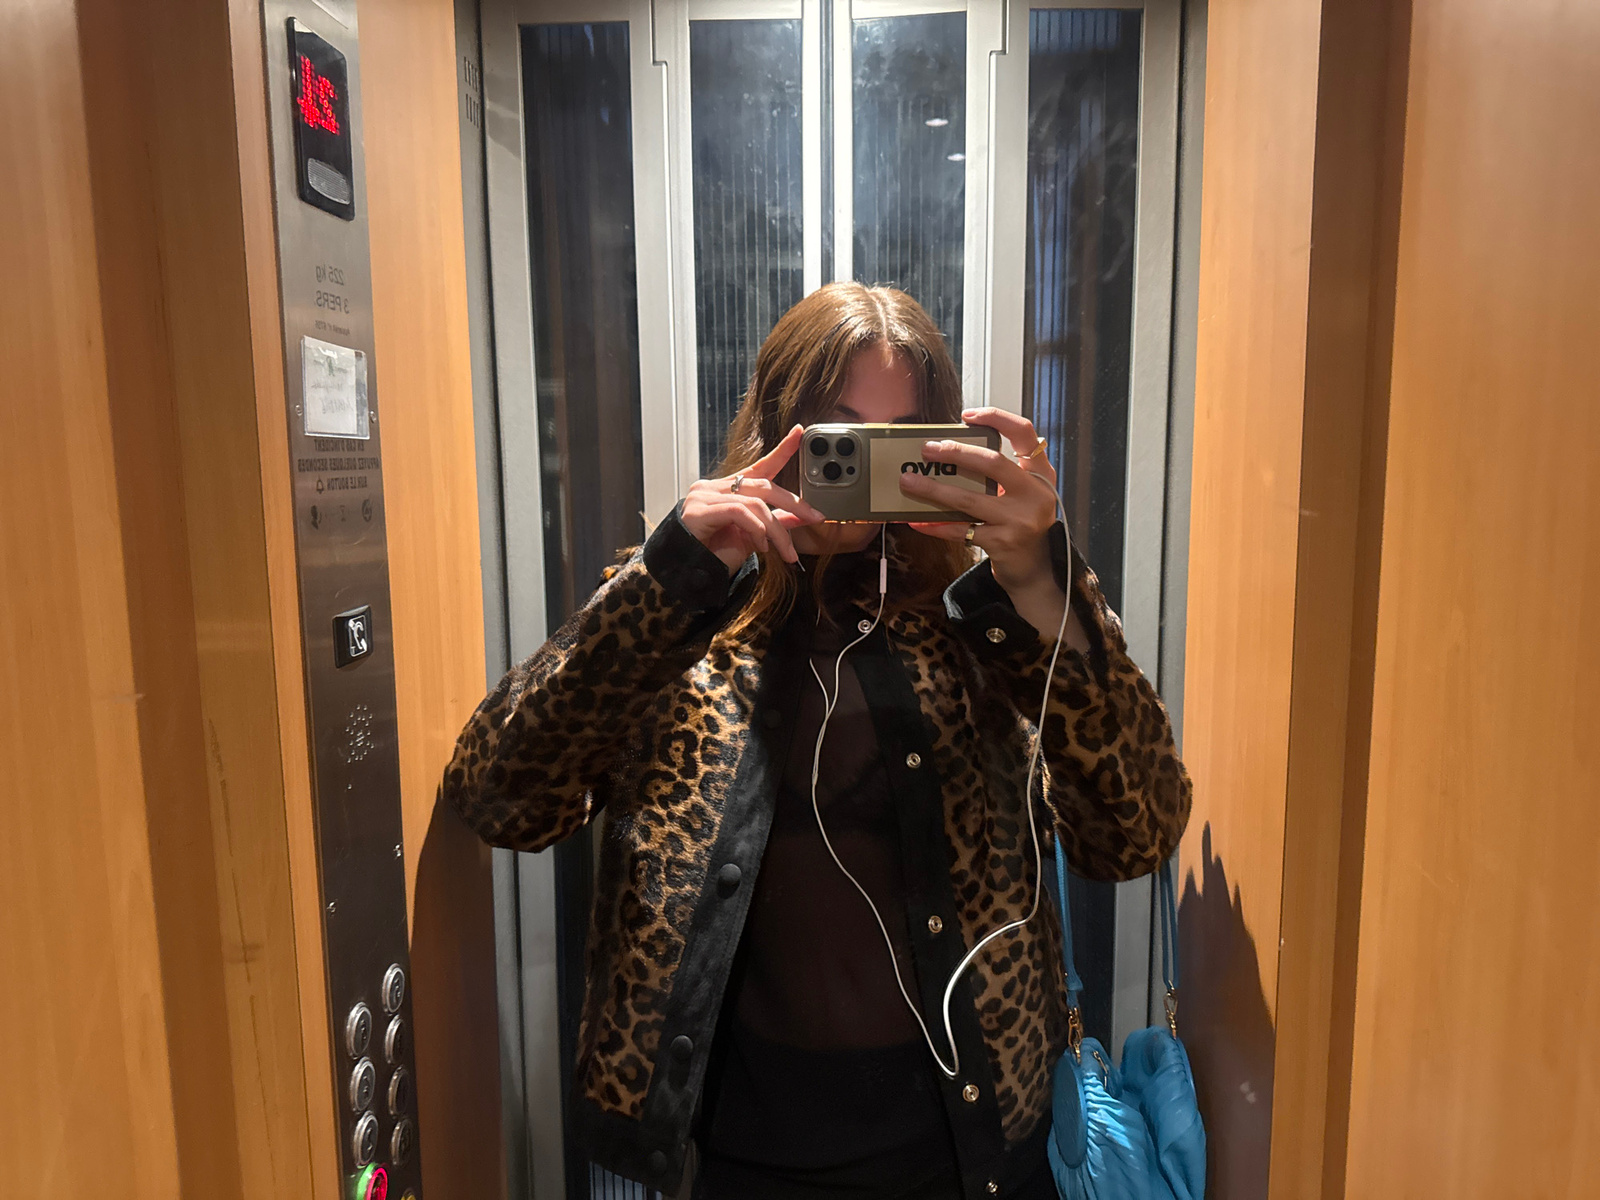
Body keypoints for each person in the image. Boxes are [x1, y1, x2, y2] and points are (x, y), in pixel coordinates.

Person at [441, 282, 1191, 1200]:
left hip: (977, 1158)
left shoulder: (987, 624)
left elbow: (1136, 836)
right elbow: (500, 799)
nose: (863, 468)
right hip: (741, 1163)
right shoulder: (682, 621)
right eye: (840, 435)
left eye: (900, 440)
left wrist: (1045, 584)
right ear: (775, 431)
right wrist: (671, 573)